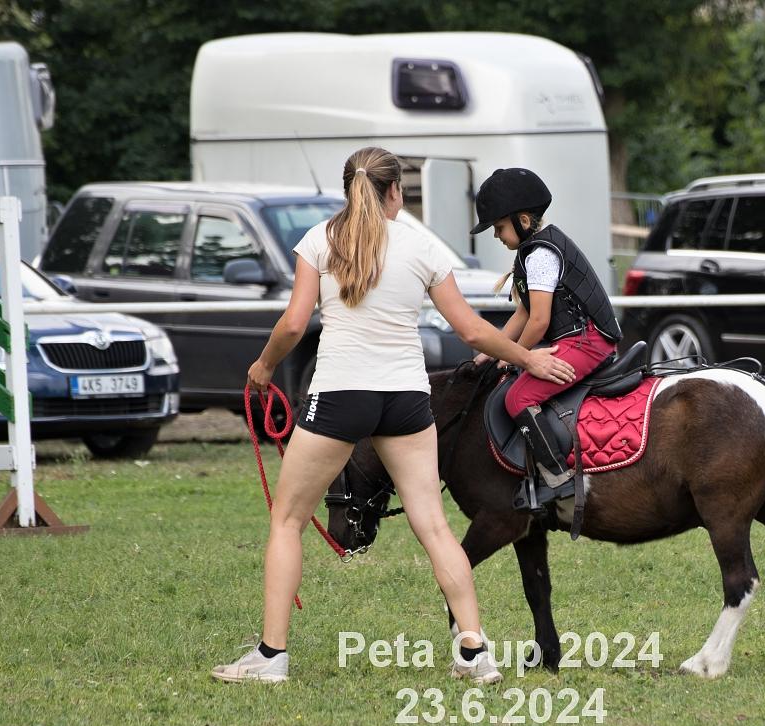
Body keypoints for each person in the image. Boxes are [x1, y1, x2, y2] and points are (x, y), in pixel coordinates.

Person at [211, 147, 576, 684]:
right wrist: (529, 359)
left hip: (340, 396)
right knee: (434, 526)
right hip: (406, 398)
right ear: (396, 192)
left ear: (348, 191)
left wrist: (263, 368)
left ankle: (271, 656)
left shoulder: (318, 241)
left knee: (287, 521)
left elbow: (292, 324)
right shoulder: (421, 246)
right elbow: (471, 330)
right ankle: (474, 651)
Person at [469, 168, 622, 508]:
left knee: (518, 398)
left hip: (586, 342)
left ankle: (558, 479)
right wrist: (491, 352)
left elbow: (539, 322)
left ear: (523, 220)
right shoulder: (530, 252)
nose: (496, 235)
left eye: (499, 227)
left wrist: (512, 355)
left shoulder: (540, 255)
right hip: (574, 340)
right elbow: (523, 313)